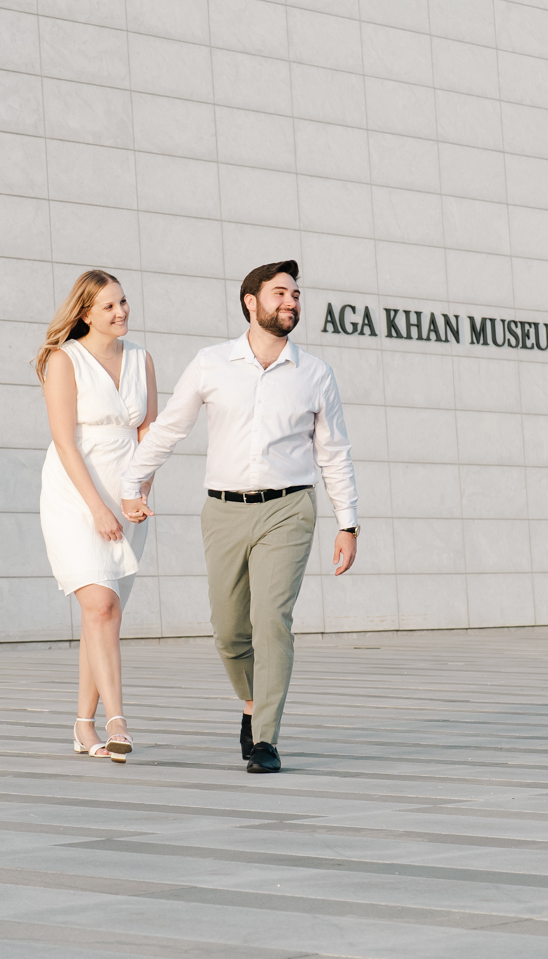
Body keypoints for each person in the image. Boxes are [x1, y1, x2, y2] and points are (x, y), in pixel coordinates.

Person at [120, 260, 357, 773]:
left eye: (296, 294)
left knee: (272, 621)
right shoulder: (211, 363)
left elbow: (334, 452)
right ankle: (252, 705)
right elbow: (167, 430)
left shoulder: (315, 373)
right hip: (224, 511)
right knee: (229, 631)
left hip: (290, 509)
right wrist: (130, 484)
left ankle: (267, 738)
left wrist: (348, 522)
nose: (291, 302)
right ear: (251, 301)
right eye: (280, 293)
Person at [35, 269, 158, 762]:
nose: (121, 311)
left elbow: (150, 433)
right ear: (86, 313)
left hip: (127, 499)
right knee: (100, 608)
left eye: (123, 302)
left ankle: (83, 726)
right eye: (109, 306)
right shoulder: (64, 360)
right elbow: (66, 442)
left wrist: (137, 493)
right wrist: (98, 507)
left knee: (103, 615)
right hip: (76, 495)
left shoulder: (142, 360)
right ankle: (117, 719)